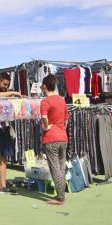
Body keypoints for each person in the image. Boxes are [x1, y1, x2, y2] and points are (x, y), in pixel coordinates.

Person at [39, 74, 71, 205]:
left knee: (55, 168)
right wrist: (62, 129)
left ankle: (60, 197)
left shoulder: (45, 101)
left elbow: (44, 117)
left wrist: (47, 127)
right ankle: (61, 193)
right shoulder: (61, 100)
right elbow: (66, 119)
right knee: (61, 166)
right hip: (63, 137)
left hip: (51, 137)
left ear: (45, 86)